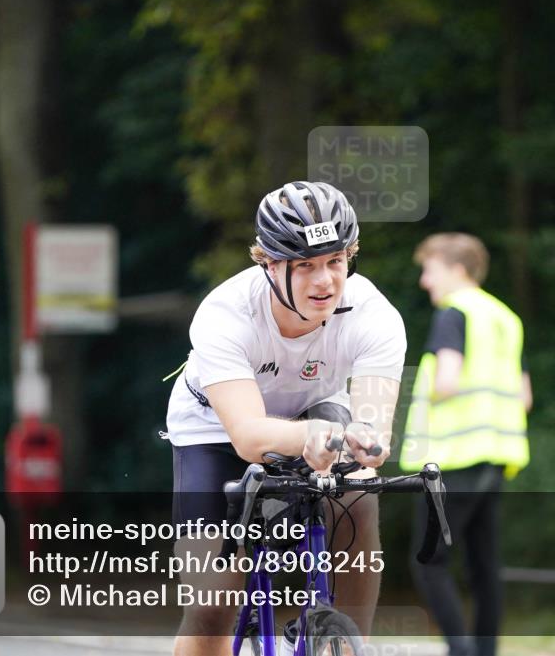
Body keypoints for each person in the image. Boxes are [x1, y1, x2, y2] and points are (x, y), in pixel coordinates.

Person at [162, 181, 406, 656]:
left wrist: (366, 444)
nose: (325, 282)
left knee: (358, 492)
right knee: (213, 602)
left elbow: (374, 431)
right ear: (269, 264)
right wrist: (310, 437)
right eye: (306, 266)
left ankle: (352, 645)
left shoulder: (374, 315)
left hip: (317, 407)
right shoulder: (225, 314)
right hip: (215, 425)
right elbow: (250, 437)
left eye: (336, 262)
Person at [400, 232, 532, 656]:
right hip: (497, 458)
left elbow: (447, 381)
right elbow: (524, 395)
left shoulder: (453, 313)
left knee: (430, 562)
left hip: (452, 460)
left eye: (430, 270)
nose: (424, 281)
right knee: (484, 566)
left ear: (457, 271)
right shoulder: (506, 318)